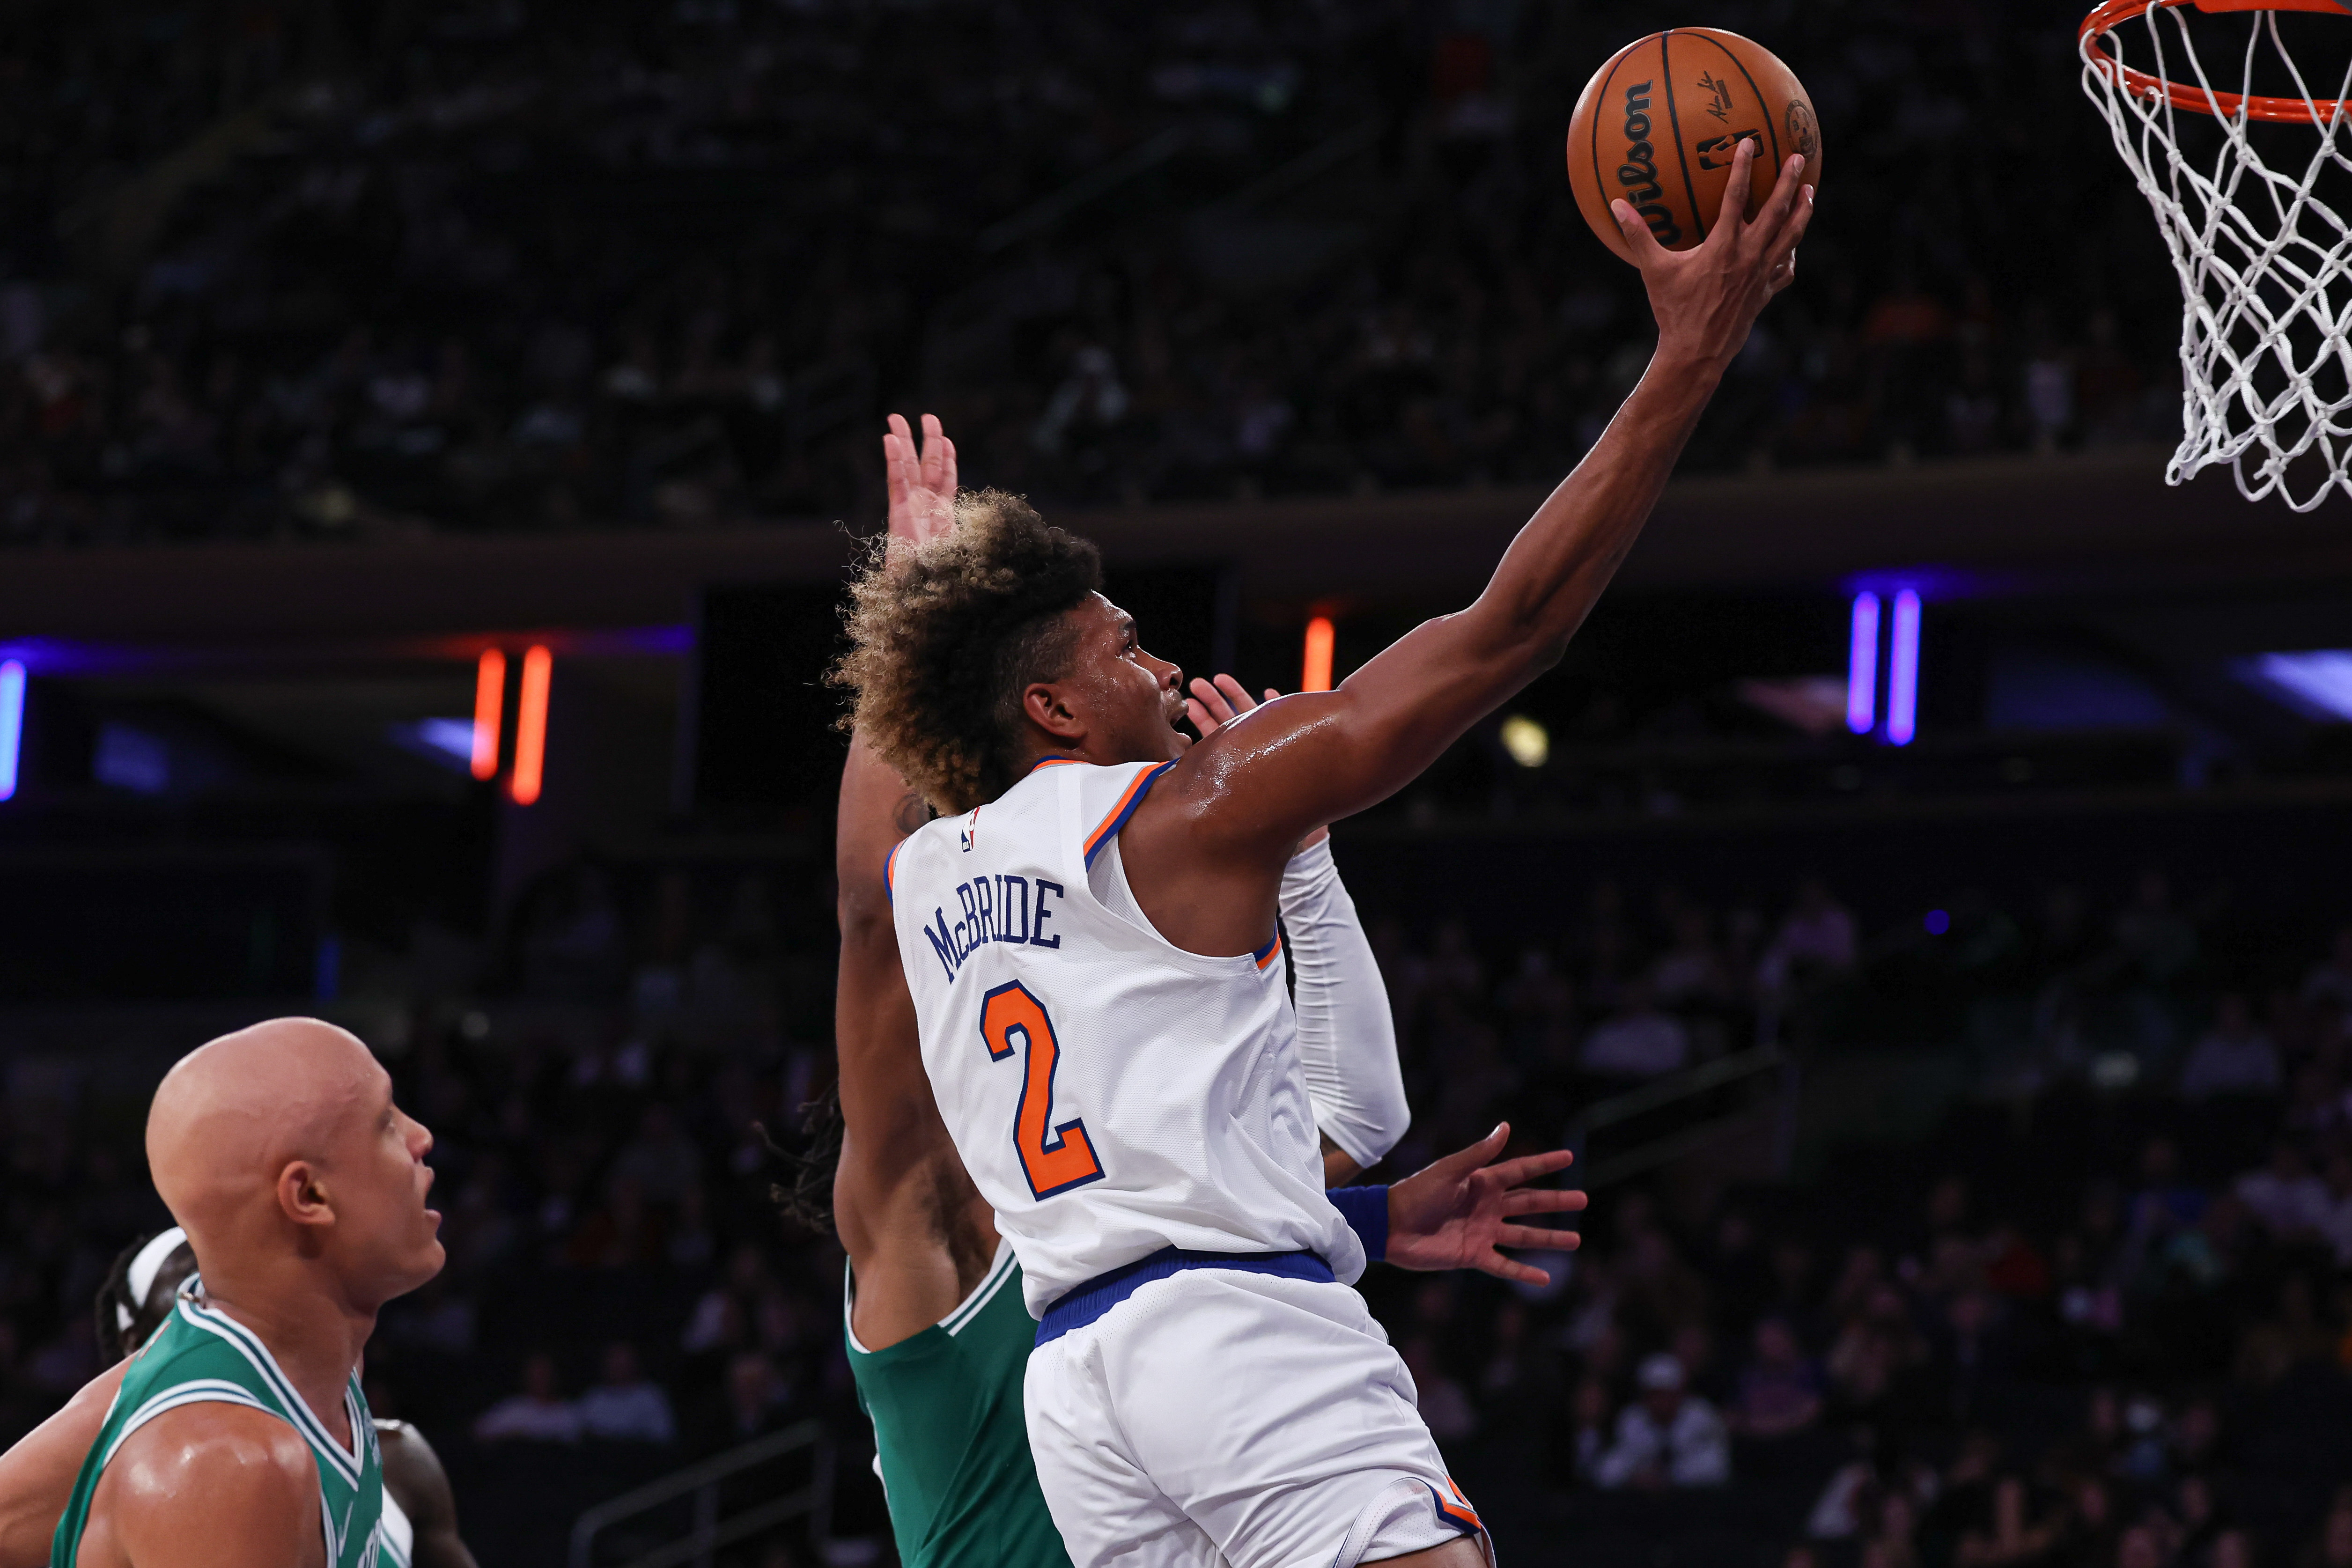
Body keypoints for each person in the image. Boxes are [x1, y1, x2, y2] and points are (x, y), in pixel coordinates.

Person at [839, 145, 1809, 1568]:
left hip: (1084, 1386)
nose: (1160, 666)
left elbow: (871, 847)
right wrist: (1687, 360)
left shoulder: (931, 881)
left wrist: (909, 597)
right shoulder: (1183, 816)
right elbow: (1507, 631)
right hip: (1237, 1338)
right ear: (1050, 707)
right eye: (1122, 647)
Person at [806, 414, 1582, 1568]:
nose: (1161, 668)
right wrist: (908, 630)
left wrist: (1364, 1224)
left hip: (1127, 1402)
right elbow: (871, 912)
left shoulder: (1087, 1195)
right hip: (1207, 1368)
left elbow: (1292, 1145)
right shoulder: (917, 1228)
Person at [22, 1018, 442, 1568]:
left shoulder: (292, 1359)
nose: (421, 1137)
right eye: (385, 1122)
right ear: (309, 1194)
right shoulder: (227, 1467)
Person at [81, 1227, 477, 1568]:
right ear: (136, 1344)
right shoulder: (109, 1498)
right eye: (199, 1285)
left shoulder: (396, 1458)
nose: (234, 1299)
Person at [1592, 1354, 1731, 1490]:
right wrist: (1634, 1476)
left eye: (1667, 1394)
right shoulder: (1632, 1420)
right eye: (1655, 1395)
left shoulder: (1702, 1416)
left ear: (1680, 1393)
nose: (1661, 1402)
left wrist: (1668, 1477)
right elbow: (1609, 1469)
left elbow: (1717, 1467)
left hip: (1694, 1500)